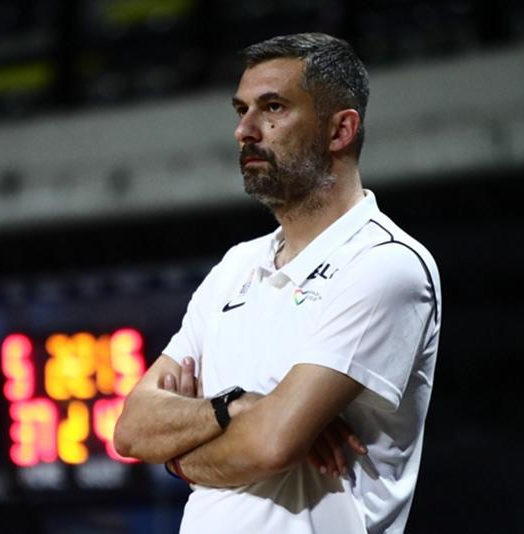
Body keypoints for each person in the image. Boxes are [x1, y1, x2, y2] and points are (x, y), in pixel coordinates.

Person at [114, 32, 441, 534]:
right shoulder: (235, 267)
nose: (244, 130)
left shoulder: (385, 264)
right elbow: (132, 428)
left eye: (272, 108)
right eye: (241, 110)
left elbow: (270, 446)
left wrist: (179, 459)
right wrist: (236, 405)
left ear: (340, 130)